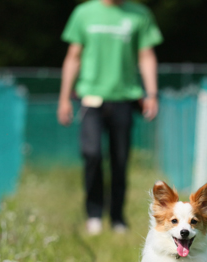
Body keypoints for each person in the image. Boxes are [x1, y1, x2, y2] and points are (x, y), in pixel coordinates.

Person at [57, 0, 163, 234]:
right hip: (90, 97)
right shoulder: (84, 13)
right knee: (92, 153)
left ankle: (117, 217)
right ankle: (94, 214)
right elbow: (73, 56)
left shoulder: (139, 14)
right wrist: (64, 97)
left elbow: (146, 56)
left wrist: (151, 94)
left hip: (124, 97)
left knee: (120, 160)